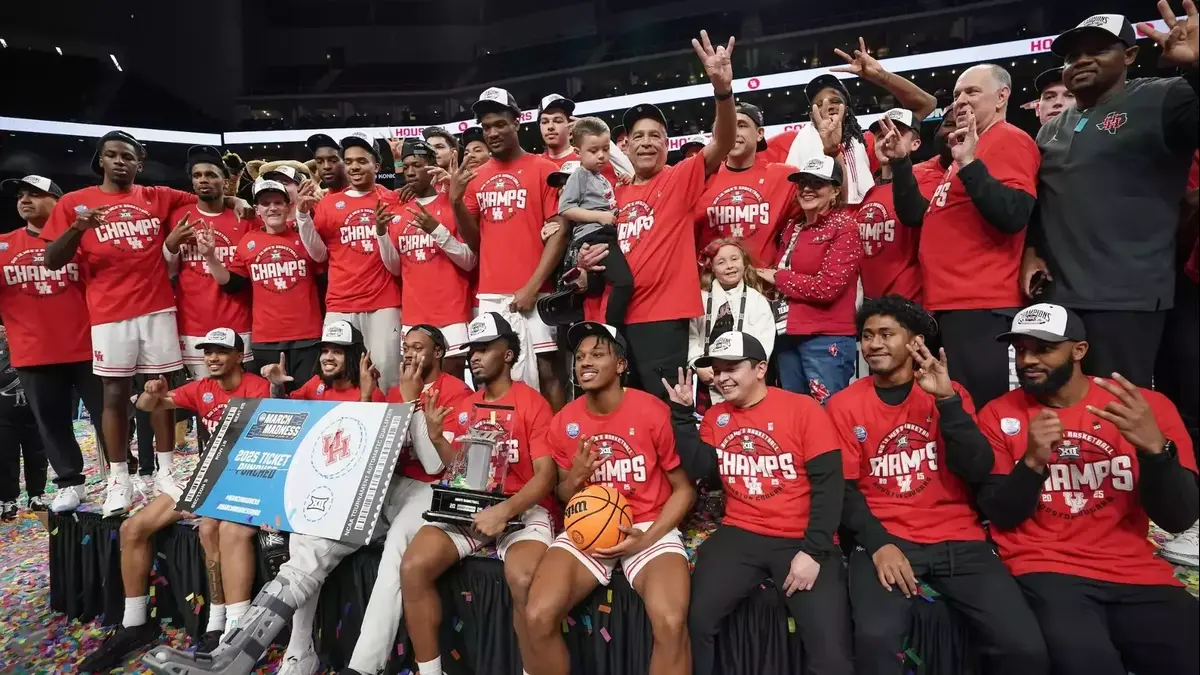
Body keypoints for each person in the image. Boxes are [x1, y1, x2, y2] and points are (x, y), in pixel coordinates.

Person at [143, 321, 386, 675]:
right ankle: (267, 651)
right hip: (311, 498)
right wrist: (275, 388)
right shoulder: (316, 386)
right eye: (324, 350)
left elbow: (369, 460)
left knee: (300, 561)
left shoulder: (374, 393)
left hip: (353, 505)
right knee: (292, 556)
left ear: (357, 356)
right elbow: (281, 420)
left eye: (337, 350)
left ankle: (244, 653)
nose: (328, 357)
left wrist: (366, 395)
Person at [826, 295, 1049, 675]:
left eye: (886, 334)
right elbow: (844, 489)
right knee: (876, 640)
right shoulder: (844, 405)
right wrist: (879, 544)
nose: (874, 344)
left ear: (914, 343)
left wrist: (946, 401)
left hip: (958, 540)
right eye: (866, 335)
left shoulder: (951, 392)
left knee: (1024, 648)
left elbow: (978, 468)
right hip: (888, 537)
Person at [976, 303, 1198, 675]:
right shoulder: (1000, 414)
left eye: (1043, 348)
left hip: (1134, 570)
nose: (1028, 359)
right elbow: (1000, 514)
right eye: (1021, 349)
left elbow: (1178, 517)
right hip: (1046, 567)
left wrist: (1156, 452)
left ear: (1079, 351)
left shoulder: (1143, 408)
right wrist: (1031, 464)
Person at [41, 130, 227, 515]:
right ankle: (118, 479)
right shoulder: (76, 203)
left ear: (139, 163)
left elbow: (210, 199)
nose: (120, 162)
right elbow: (52, 261)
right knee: (112, 396)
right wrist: (78, 227)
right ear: (101, 160)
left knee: (160, 390)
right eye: (112, 155)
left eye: (128, 156)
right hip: (109, 313)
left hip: (158, 308)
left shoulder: (158, 196)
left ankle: (165, 472)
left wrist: (238, 199)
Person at [1021, 9, 1199, 388]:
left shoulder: (1163, 98)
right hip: (1059, 298)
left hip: (1125, 296)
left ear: (1130, 56)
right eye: (1072, 56)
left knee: (1116, 409)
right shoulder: (1049, 129)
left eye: (1098, 50)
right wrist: (1032, 249)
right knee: (1062, 411)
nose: (1081, 61)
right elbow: (1040, 200)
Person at [78, 328, 270, 673]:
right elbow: (148, 406)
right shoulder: (201, 387)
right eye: (208, 352)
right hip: (205, 477)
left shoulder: (258, 388)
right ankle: (135, 623)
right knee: (133, 529)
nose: (211, 358)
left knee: (213, 530)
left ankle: (230, 627)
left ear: (239, 356)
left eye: (221, 352)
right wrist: (152, 392)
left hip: (245, 478)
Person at [663, 331, 851, 675]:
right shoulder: (716, 416)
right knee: (698, 621)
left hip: (801, 536)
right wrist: (680, 415)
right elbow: (703, 470)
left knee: (831, 653)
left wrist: (814, 551)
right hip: (741, 532)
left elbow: (830, 484)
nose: (722, 378)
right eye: (717, 371)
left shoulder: (802, 409)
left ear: (761, 368)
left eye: (732, 367)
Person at [524, 322, 694, 675]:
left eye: (598, 354)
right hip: (588, 521)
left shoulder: (652, 411)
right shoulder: (564, 422)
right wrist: (576, 478)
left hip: (647, 523)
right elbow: (562, 493)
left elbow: (685, 489)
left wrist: (646, 538)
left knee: (671, 621)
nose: (584, 362)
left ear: (620, 364)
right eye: (580, 356)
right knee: (538, 616)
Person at [574, 30, 737, 401]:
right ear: (625, 145)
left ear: (667, 145)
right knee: (622, 413)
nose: (647, 142)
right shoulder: (611, 191)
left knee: (667, 414)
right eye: (639, 136)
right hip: (612, 319)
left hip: (661, 319)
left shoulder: (680, 178)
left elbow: (723, 142)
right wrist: (585, 264)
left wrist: (722, 92)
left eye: (656, 136)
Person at [399, 312, 558, 675]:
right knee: (413, 566)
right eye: (472, 349)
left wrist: (505, 512)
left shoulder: (532, 403)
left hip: (522, 507)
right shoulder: (469, 405)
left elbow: (546, 476)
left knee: (523, 578)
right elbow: (465, 473)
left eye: (485, 348)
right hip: (474, 505)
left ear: (508, 354)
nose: (474, 356)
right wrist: (438, 439)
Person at [890, 64, 1040, 407]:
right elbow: (917, 217)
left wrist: (971, 162)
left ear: (1002, 96)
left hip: (982, 305)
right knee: (952, 409)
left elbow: (1014, 213)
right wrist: (901, 163)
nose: (960, 101)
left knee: (985, 413)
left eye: (972, 92)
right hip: (949, 304)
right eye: (957, 94)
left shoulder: (1008, 139)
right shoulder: (969, 147)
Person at [340, 324, 474, 675]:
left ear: (439, 353)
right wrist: (368, 397)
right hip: (391, 483)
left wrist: (412, 403)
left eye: (419, 346)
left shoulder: (458, 392)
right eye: (406, 347)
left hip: (433, 489)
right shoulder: (397, 388)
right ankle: (296, 648)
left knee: (396, 547)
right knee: (320, 533)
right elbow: (367, 448)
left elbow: (434, 464)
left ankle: (362, 667)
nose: (410, 353)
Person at [451, 87, 569, 408]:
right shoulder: (475, 178)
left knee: (549, 372)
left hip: (538, 290)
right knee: (494, 376)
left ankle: (555, 445)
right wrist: (456, 201)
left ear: (517, 123)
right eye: (487, 127)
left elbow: (558, 232)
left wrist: (532, 287)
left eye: (500, 124)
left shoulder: (544, 169)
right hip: (492, 293)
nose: (492, 133)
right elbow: (477, 242)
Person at [0, 174, 104, 512]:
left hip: (88, 346)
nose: (25, 200)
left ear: (58, 202)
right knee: (52, 423)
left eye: (35, 194)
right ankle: (70, 482)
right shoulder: (3, 245)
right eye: (21, 195)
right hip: (33, 352)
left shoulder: (84, 240)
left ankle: (123, 472)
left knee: (112, 416)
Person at [763, 37, 937, 204]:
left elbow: (926, 105)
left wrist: (881, 76)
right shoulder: (788, 141)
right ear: (810, 115)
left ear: (847, 110)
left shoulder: (867, 142)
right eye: (819, 104)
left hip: (861, 224)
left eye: (836, 101)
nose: (828, 106)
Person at [300, 132, 404, 391]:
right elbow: (319, 255)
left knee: (386, 376)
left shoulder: (390, 199)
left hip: (384, 302)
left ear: (376, 166)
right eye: (349, 161)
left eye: (362, 160)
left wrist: (401, 162)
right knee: (338, 379)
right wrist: (302, 216)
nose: (355, 166)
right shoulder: (329, 204)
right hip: (341, 302)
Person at [202, 179, 325, 391]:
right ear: (257, 209)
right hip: (267, 338)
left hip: (308, 337)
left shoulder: (304, 234)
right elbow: (231, 285)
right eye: (266, 203)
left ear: (288, 206)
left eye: (278, 202)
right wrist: (210, 256)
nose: (272, 208)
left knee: (308, 399)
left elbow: (324, 276)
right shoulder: (248, 241)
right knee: (273, 404)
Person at [759, 156, 861, 403]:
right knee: (796, 416)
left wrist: (779, 278)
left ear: (835, 190)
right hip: (787, 333)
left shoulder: (845, 227)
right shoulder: (793, 225)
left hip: (825, 337)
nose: (806, 189)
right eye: (803, 182)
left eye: (817, 183)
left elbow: (828, 287)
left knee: (830, 414)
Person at [376, 139, 476, 380]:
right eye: (406, 165)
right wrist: (380, 233)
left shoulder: (453, 204)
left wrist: (437, 231)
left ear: (432, 167)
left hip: (451, 313)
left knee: (453, 384)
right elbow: (396, 269)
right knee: (417, 384)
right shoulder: (399, 211)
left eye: (417, 165)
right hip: (414, 315)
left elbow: (469, 260)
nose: (410, 172)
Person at [165, 146, 253, 381]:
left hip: (240, 323)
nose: (204, 180)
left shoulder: (244, 217)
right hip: (194, 326)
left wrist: (237, 200)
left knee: (242, 402)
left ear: (225, 181)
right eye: (197, 175)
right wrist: (171, 244)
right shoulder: (178, 216)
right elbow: (166, 272)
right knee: (203, 403)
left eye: (211, 174)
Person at [694, 102, 799, 269]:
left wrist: (832, 152)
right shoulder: (698, 179)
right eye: (726, 126)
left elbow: (830, 206)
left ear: (759, 134)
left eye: (741, 125)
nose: (733, 132)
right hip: (711, 289)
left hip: (763, 289)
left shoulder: (785, 177)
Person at [554, 118, 634, 328]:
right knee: (623, 282)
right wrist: (599, 217)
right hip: (593, 236)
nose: (601, 155)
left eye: (605, 149)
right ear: (577, 152)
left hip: (605, 233)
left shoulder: (602, 178)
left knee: (599, 285)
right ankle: (612, 329)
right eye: (593, 150)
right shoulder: (579, 175)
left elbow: (607, 204)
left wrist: (622, 184)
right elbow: (565, 208)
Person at [857, 110, 935, 302]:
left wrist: (900, 161)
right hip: (868, 305)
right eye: (881, 135)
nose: (887, 140)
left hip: (907, 302)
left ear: (915, 144)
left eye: (896, 134)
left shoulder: (928, 178)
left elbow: (915, 213)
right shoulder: (865, 190)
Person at [688, 238, 776, 404]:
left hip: (744, 377)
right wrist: (697, 364)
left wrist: (747, 371)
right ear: (712, 268)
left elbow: (764, 341)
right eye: (721, 262)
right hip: (709, 376)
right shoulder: (700, 299)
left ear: (744, 263)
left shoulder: (756, 300)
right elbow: (692, 335)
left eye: (734, 259)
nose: (729, 266)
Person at [0, 325, 47, 519]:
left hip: (33, 414)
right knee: (5, 458)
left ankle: (36, 495)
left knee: (37, 455)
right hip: (4, 417)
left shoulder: (32, 349)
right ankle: (8, 500)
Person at [539, 94, 579, 168]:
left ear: (570, 126)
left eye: (557, 121)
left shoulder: (586, 160)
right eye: (545, 122)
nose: (550, 126)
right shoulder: (535, 164)